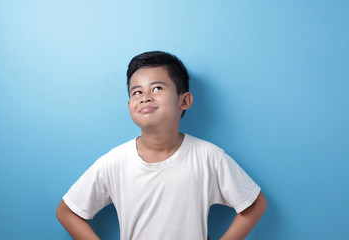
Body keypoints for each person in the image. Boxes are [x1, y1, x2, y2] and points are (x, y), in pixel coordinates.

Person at [56, 51, 267, 240]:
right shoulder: (114, 162)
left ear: (183, 101)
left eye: (157, 88)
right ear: (129, 105)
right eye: (136, 92)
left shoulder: (208, 157)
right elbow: (67, 211)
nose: (145, 97)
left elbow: (255, 203)